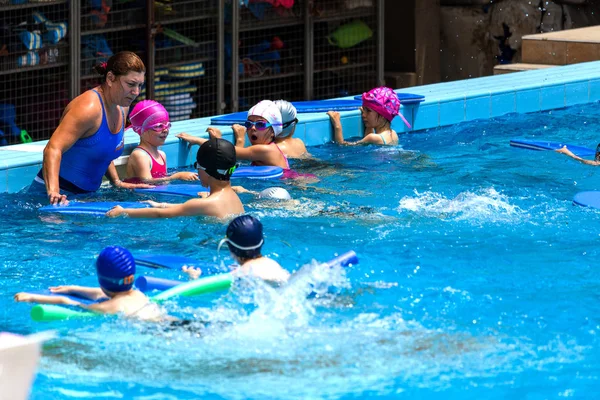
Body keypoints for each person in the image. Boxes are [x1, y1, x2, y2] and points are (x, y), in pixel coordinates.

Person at [31, 51, 153, 205]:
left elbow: (103, 148)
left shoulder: (122, 107)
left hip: (85, 197)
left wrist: (116, 182)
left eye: (139, 85)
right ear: (110, 78)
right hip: (52, 198)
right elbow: (52, 149)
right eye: (130, 84)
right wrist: (54, 193)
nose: (136, 92)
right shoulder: (88, 108)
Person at [14, 246, 164, 321]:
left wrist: (33, 298)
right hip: (172, 324)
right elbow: (101, 292)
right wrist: (74, 288)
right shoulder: (138, 294)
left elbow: (69, 303)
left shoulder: (107, 307)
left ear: (101, 279)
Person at [106, 137, 244, 219]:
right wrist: (162, 205)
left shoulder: (204, 203)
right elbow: (188, 208)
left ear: (206, 171)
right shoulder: (235, 197)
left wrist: (123, 211)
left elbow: (160, 215)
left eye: (197, 166)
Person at [182, 214, 290, 285]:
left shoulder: (240, 274)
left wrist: (193, 278)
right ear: (262, 242)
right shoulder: (272, 264)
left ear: (230, 246)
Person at [125, 100, 199, 183]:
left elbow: (163, 183)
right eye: (158, 126)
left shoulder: (162, 155)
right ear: (142, 130)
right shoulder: (140, 155)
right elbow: (147, 182)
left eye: (167, 125)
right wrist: (177, 176)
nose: (165, 130)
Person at [327, 86, 409, 146]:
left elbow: (342, 146)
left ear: (383, 115)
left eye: (368, 111)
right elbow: (368, 142)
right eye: (364, 110)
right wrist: (369, 126)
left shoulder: (373, 138)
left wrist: (337, 125)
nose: (363, 115)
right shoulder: (393, 134)